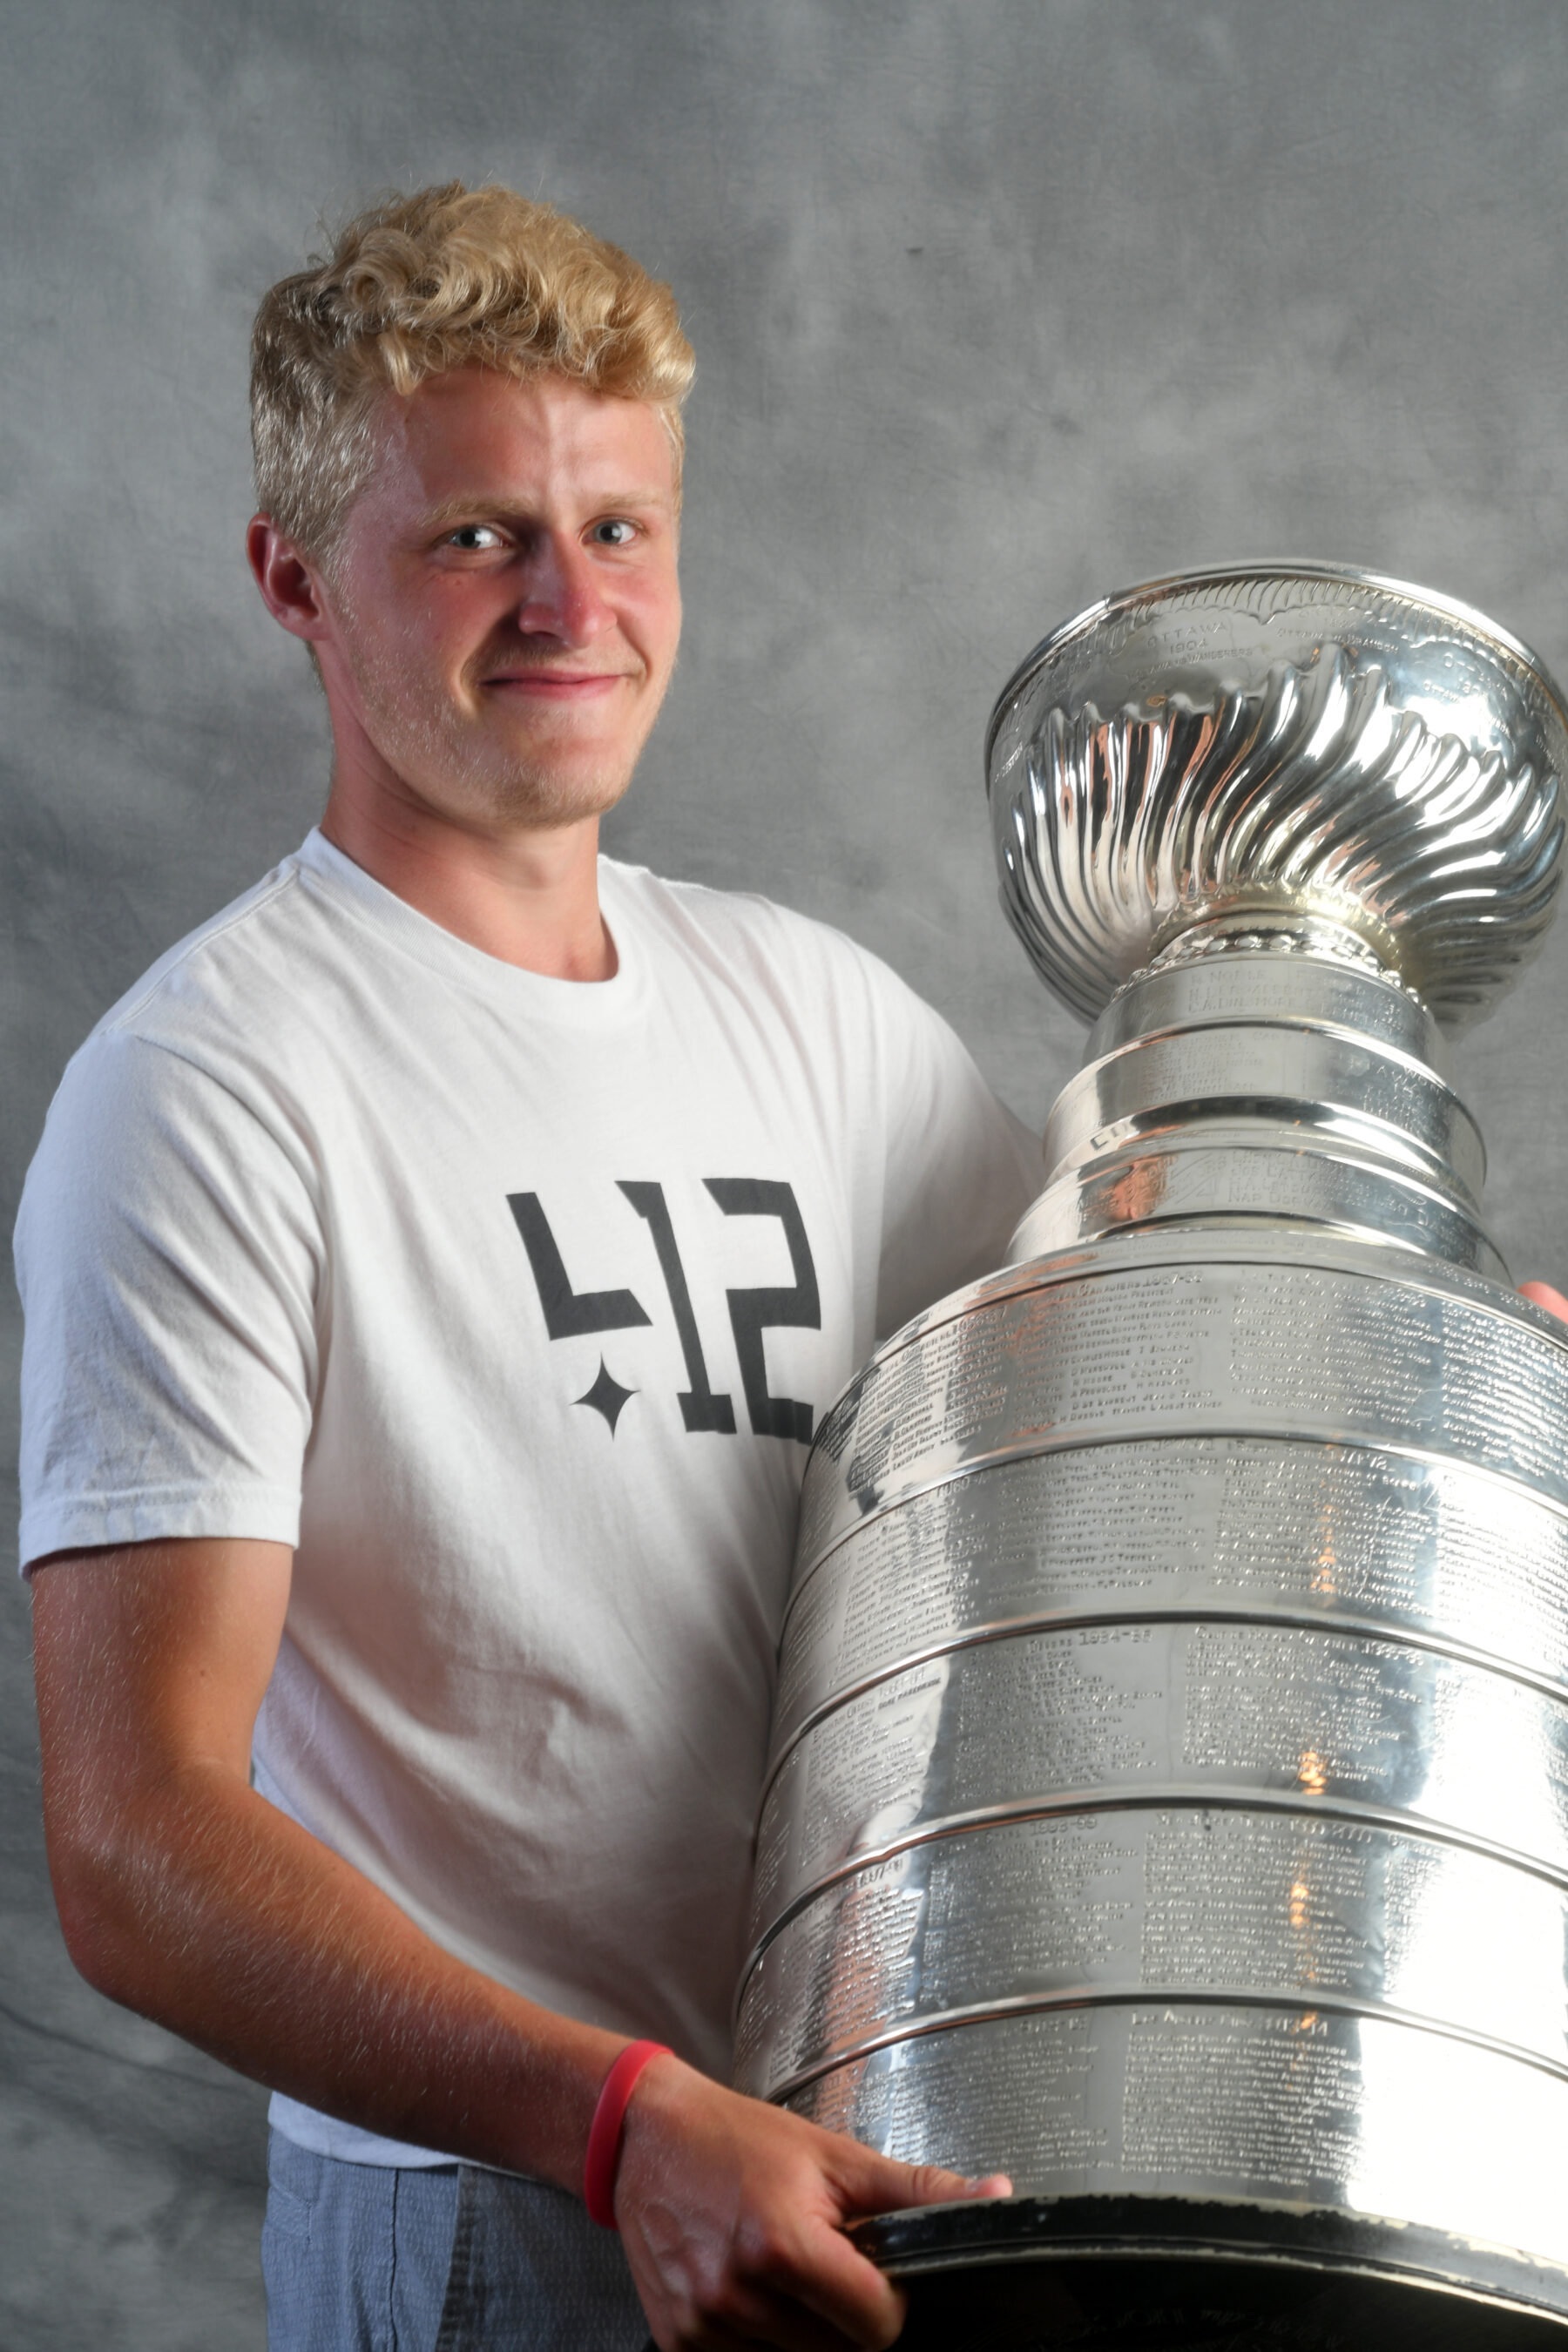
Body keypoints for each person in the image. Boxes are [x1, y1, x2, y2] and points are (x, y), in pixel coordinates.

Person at [16, 183, 1032, 2351]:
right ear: (294, 578)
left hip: (859, 2173)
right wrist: (616, 2122)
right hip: (506, 2220)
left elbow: (1087, 1370)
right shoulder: (210, 1087)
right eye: (478, 534)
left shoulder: (819, 1015)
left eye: (623, 528)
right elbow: (137, 1845)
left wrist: (1389, 1341)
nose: (576, 602)